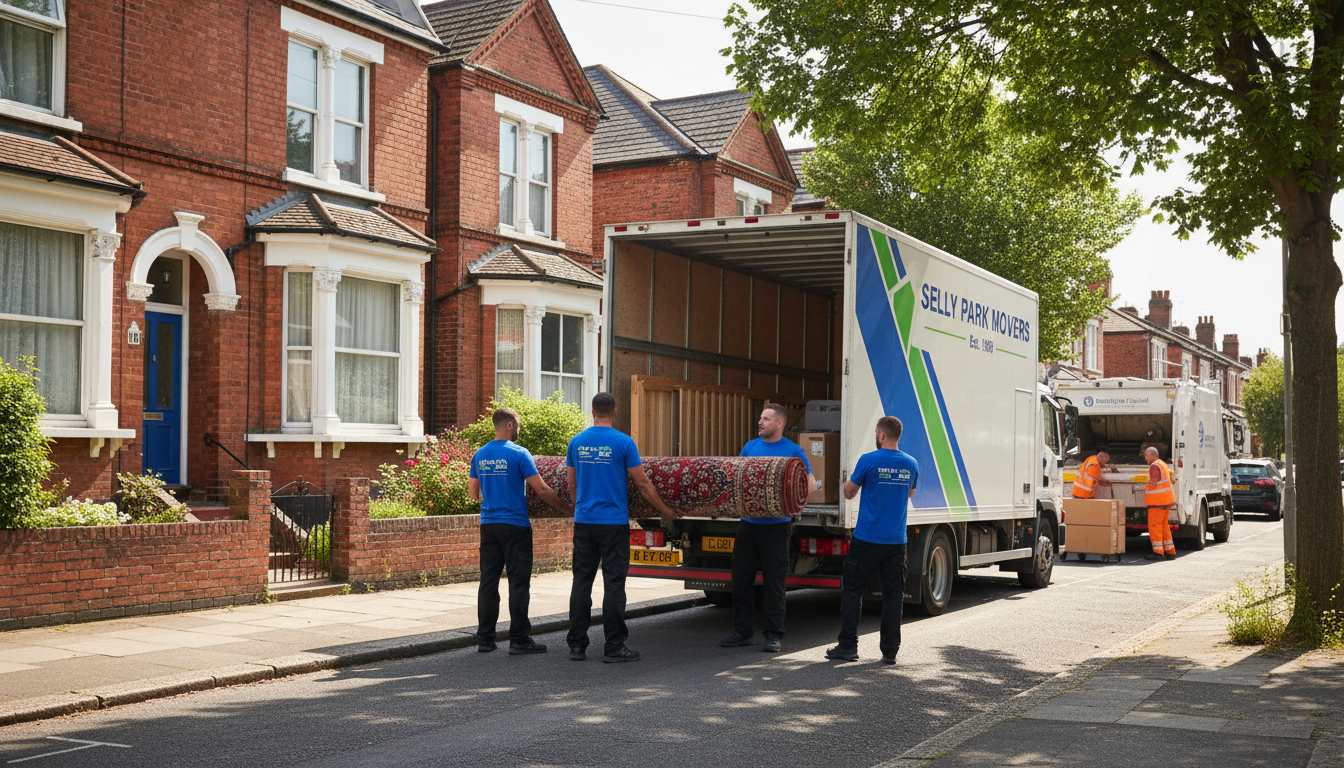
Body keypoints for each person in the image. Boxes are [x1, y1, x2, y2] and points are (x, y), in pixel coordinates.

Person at [566, 392, 677, 663]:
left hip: (584, 523)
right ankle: (614, 646)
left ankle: (577, 646)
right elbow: (642, 483)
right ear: (615, 413)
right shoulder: (624, 442)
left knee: (582, 582)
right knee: (614, 585)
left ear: (592, 412)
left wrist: (579, 508)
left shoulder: (577, 442)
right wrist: (666, 511)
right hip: (613, 524)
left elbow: (571, 483)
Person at [468, 407, 571, 654]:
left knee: (488, 582)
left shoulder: (479, 455)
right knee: (518, 583)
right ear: (510, 424)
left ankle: (485, 640)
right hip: (515, 525)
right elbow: (542, 490)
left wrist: (494, 494)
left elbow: (474, 494)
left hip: (489, 525)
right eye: (519, 424)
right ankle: (519, 640)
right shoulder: (519, 453)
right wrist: (567, 509)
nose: (519, 429)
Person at [720, 404, 815, 654]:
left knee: (774, 583)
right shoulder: (750, 447)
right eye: (760, 417)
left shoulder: (793, 451)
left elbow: (811, 482)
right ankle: (742, 632)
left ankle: (773, 635)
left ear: (780, 423)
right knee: (741, 580)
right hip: (748, 525)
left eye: (766, 419)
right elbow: (736, 476)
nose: (760, 422)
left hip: (777, 528)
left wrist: (794, 495)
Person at [826, 416, 918, 664]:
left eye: (876, 432)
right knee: (893, 595)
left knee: (853, 591)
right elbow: (909, 492)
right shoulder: (911, 464)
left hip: (867, 538)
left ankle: (848, 646)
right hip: (896, 542)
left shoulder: (868, 460)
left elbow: (849, 492)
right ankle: (889, 652)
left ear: (881, 435)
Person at [1144, 446, 1178, 561]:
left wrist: (1147, 484)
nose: (1145, 458)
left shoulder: (1154, 466)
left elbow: (1154, 481)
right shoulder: (1162, 464)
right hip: (1166, 500)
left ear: (1152, 455)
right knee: (1164, 526)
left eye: (1146, 456)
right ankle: (1170, 552)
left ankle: (1158, 552)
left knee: (1155, 526)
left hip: (1157, 502)